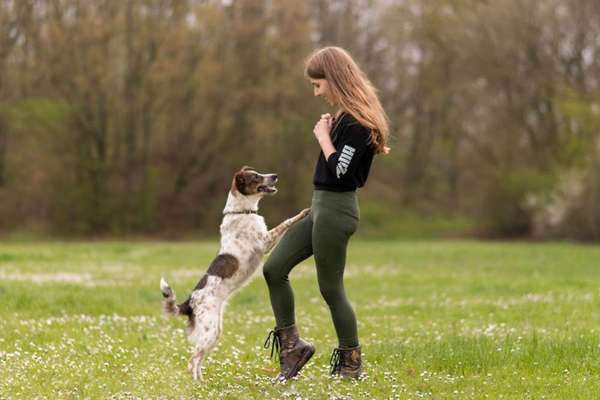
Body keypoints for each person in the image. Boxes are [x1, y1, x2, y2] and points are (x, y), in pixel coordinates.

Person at [262, 46, 390, 382]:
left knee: (330, 288)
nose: (316, 92)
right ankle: (293, 349)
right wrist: (329, 133)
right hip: (320, 206)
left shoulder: (359, 123)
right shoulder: (345, 119)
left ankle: (351, 362)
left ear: (333, 80)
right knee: (274, 268)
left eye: (318, 85)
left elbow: (343, 173)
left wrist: (323, 138)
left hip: (337, 210)